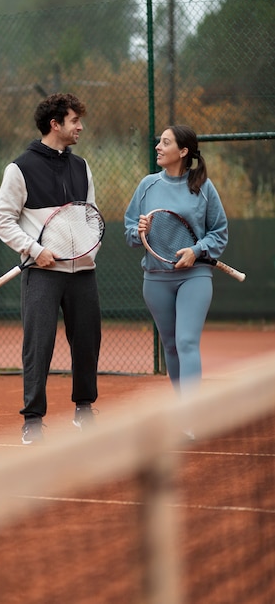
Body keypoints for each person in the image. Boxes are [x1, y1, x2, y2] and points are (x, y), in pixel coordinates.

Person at [0, 93, 102, 445]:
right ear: (55, 124)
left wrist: (88, 249)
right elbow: (3, 220)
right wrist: (34, 250)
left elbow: (91, 214)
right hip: (41, 274)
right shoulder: (19, 168)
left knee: (87, 343)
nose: (80, 127)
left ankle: (84, 410)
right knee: (38, 346)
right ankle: (33, 420)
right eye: (74, 121)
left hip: (83, 273)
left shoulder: (81, 166)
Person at [124, 125, 228, 432]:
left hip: (194, 275)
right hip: (155, 278)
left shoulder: (203, 187)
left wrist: (196, 251)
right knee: (170, 345)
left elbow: (219, 232)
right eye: (158, 141)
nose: (157, 146)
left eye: (165, 142)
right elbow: (130, 233)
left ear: (183, 152)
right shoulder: (146, 185)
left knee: (186, 341)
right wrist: (138, 230)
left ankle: (190, 416)